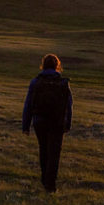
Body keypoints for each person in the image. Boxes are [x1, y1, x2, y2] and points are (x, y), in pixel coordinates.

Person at [22, 54, 73, 193]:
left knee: (43, 150)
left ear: (43, 65)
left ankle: (45, 180)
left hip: (40, 121)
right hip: (57, 122)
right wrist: (67, 124)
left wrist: (25, 125)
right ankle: (50, 185)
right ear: (58, 65)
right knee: (54, 153)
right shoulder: (63, 83)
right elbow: (69, 106)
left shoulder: (35, 82)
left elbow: (28, 104)